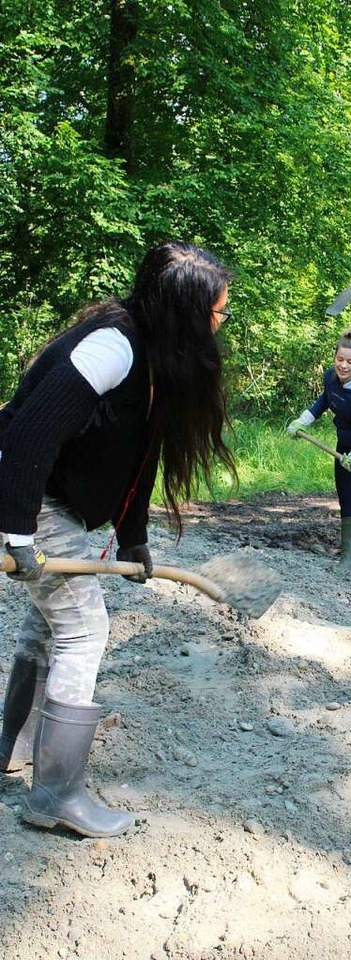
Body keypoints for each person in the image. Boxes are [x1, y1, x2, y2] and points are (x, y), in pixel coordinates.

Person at [0, 241, 235, 838]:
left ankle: (12, 749)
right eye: (216, 313)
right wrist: (18, 532)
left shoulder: (157, 355)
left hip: (60, 505)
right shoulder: (112, 346)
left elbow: (142, 450)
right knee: (84, 628)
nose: (221, 323)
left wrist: (133, 538)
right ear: (184, 310)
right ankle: (55, 797)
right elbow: (27, 435)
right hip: (34, 498)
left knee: (47, 623)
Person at [287, 327, 351, 572]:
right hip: (345, 444)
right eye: (340, 359)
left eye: (350, 362)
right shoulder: (332, 377)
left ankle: (350, 560)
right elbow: (325, 400)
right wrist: (304, 419)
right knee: (345, 498)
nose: (343, 365)